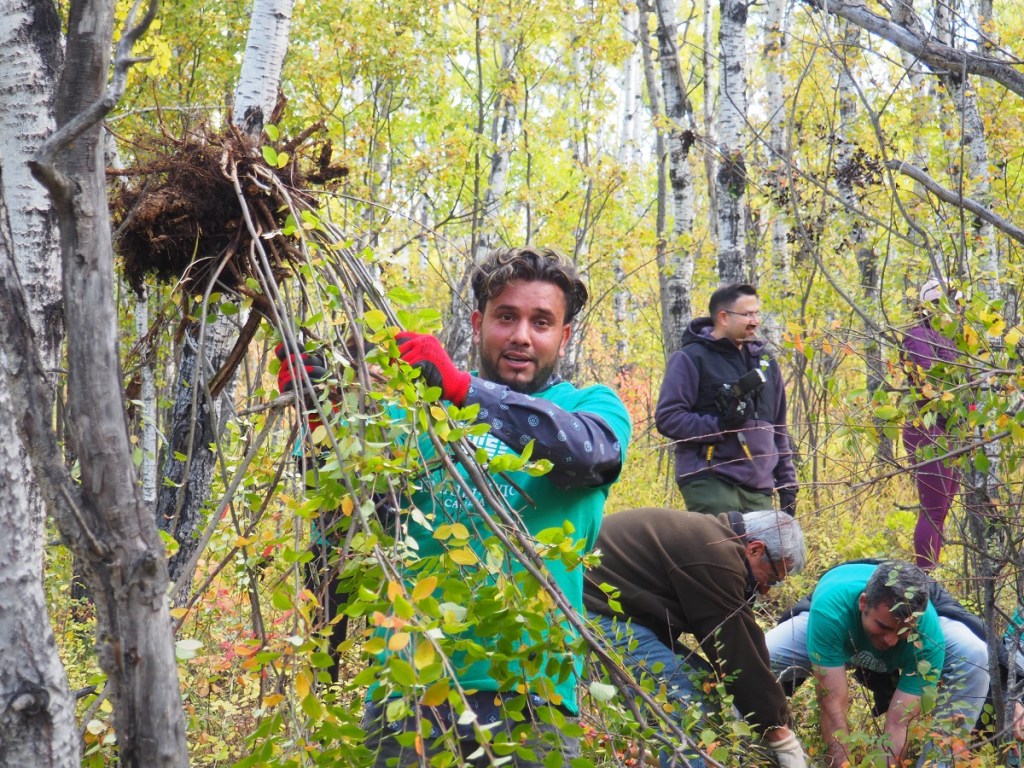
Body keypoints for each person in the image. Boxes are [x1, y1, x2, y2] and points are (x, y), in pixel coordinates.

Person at [283, 246, 631, 767]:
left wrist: (464, 389)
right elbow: (347, 531)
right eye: (506, 317)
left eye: (541, 322)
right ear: (476, 323)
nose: (521, 335)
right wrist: (322, 421)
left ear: (564, 336)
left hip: (532, 699)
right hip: (408, 691)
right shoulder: (408, 416)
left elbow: (587, 455)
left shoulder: (592, 408)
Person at [583, 507, 809, 768]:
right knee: (688, 699)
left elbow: (746, 639)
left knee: (704, 684)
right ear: (755, 549)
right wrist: (779, 734)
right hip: (587, 613)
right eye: (773, 578)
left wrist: (779, 721)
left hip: (618, 614)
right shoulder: (716, 556)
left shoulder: (717, 542)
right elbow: (734, 650)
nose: (767, 590)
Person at [766, 560, 990, 767]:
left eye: (903, 631)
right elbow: (832, 704)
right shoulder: (832, 608)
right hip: (836, 623)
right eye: (883, 626)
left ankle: (939, 762)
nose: (890, 641)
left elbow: (899, 723)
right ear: (863, 603)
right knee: (764, 654)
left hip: (915, 636)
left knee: (975, 654)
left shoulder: (927, 637)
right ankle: (762, 748)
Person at [655, 283, 797, 516]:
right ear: (723, 317)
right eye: (747, 314)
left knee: (762, 542)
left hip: (760, 486)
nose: (755, 321)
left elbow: (778, 429)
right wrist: (720, 425)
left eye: (756, 313)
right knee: (725, 540)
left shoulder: (766, 361)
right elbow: (668, 418)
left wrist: (787, 484)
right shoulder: (691, 358)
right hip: (711, 479)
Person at [901, 278, 964, 570]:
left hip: (951, 429)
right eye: (951, 304)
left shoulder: (952, 339)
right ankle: (925, 577)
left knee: (942, 510)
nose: (957, 311)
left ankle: (929, 575)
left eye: (959, 305)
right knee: (933, 511)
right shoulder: (917, 336)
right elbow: (927, 381)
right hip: (927, 428)